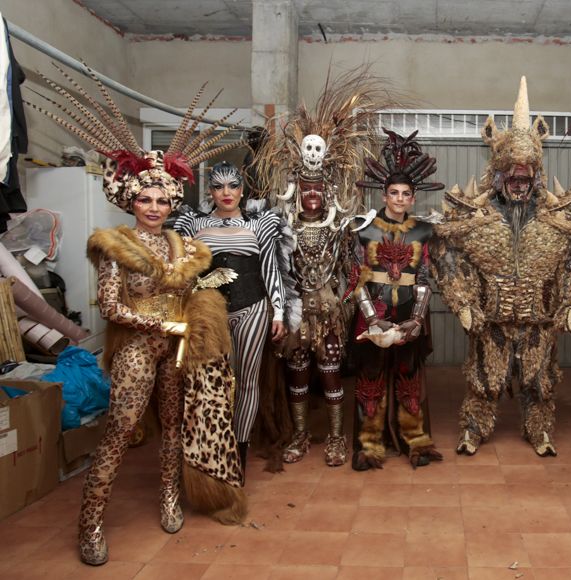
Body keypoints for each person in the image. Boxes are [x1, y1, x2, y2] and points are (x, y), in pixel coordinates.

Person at [27, 71, 249, 564]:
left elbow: (191, 292)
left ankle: (170, 497)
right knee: (120, 431)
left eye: (163, 200)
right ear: (131, 201)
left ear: (173, 203)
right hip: (136, 348)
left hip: (178, 351)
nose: (154, 207)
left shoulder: (181, 245)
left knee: (174, 427)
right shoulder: (116, 247)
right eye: (146, 199)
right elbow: (109, 307)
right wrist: (161, 325)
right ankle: (91, 523)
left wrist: (205, 303)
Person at [432, 77, 571, 457]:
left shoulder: (556, 221)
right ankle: (473, 429)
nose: (518, 184)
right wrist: (462, 301)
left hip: (538, 321)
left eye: (525, 177)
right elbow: (446, 251)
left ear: (535, 176)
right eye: (512, 177)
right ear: (499, 176)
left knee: (541, 381)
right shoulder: (477, 219)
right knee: (482, 378)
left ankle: (539, 430)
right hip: (490, 321)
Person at [250, 68, 393, 467]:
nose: (312, 195)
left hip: (329, 314)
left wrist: (363, 311)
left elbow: (355, 272)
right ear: (297, 190)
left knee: (330, 374)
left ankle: (334, 437)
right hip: (296, 315)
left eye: (318, 189)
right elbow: (274, 273)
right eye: (306, 188)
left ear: (327, 191)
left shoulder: (341, 228)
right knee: (297, 377)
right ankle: (298, 435)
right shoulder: (282, 226)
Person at [174, 161, 292, 474]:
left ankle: (239, 450)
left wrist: (278, 311)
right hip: (207, 312)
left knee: (247, 381)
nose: (226, 193)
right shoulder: (193, 224)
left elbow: (272, 269)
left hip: (252, 308)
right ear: (209, 190)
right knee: (209, 383)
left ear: (243, 189)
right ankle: (213, 448)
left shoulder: (261, 223)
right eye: (218, 186)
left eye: (233, 186)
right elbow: (183, 273)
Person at [350, 129, 444, 470]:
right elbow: (354, 277)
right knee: (370, 379)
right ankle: (369, 444)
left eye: (406, 194)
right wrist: (373, 320)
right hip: (372, 311)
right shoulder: (364, 229)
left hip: (409, 311)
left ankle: (415, 441)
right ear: (385, 194)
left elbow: (425, 276)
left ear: (413, 197)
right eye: (394, 193)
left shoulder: (423, 231)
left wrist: (417, 319)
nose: (399, 199)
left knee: (409, 377)